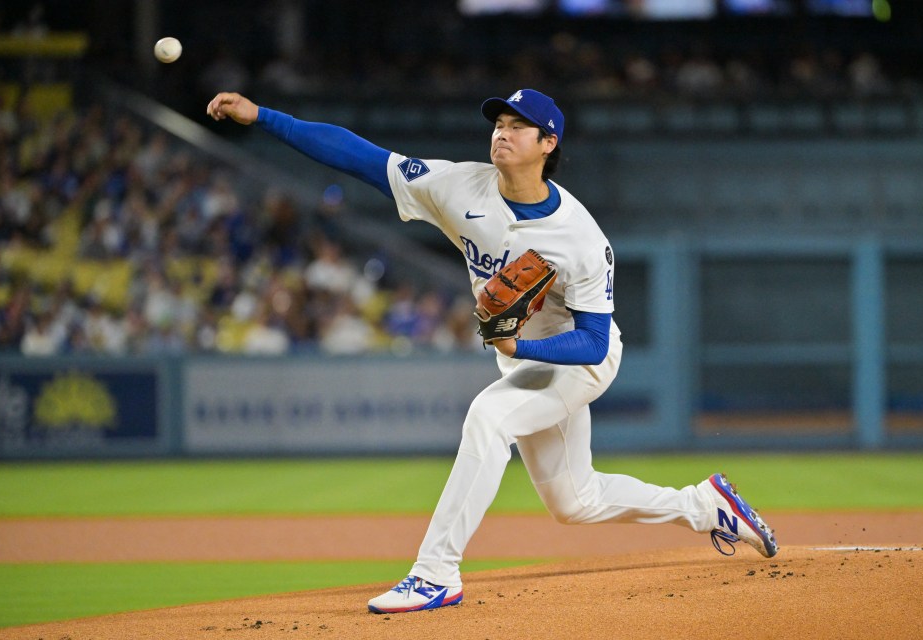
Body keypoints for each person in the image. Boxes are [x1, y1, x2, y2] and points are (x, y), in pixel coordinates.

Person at [206, 88, 778, 614]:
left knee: (488, 416)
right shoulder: (458, 185)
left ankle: (436, 573)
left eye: (519, 126)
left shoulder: (579, 238)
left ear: (548, 145)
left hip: (579, 361)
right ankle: (707, 507)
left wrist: (520, 343)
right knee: (574, 503)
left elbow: (595, 340)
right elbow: (358, 155)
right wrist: (263, 117)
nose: (502, 132)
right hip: (523, 361)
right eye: (499, 122)